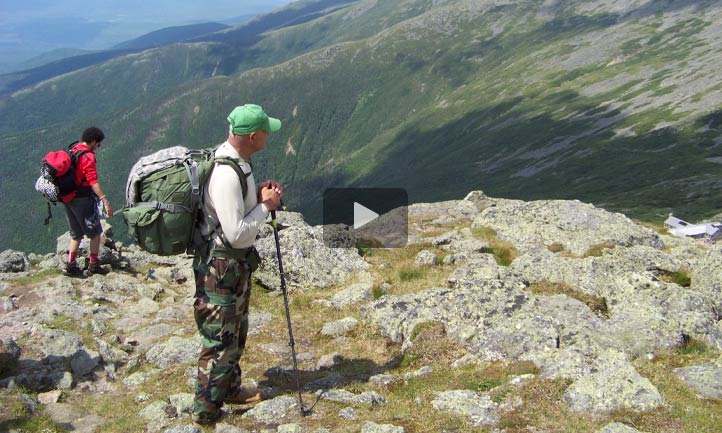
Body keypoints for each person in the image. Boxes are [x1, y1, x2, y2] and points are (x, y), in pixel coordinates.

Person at [192, 104, 283, 425]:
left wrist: (256, 198)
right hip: (221, 268)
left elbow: (234, 213)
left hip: (233, 268)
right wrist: (265, 207)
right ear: (253, 136)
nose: (269, 136)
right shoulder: (226, 174)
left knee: (235, 334)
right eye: (266, 132)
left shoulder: (238, 163)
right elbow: (236, 234)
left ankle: (228, 389)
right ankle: (205, 413)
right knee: (220, 341)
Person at [63, 127, 114, 277]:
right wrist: (105, 200)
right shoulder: (88, 157)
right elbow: (93, 181)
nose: (98, 147)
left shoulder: (73, 149)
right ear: (92, 142)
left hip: (68, 197)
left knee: (76, 234)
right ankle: (93, 265)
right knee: (95, 233)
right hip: (82, 199)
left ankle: (70, 265)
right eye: (98, 144)